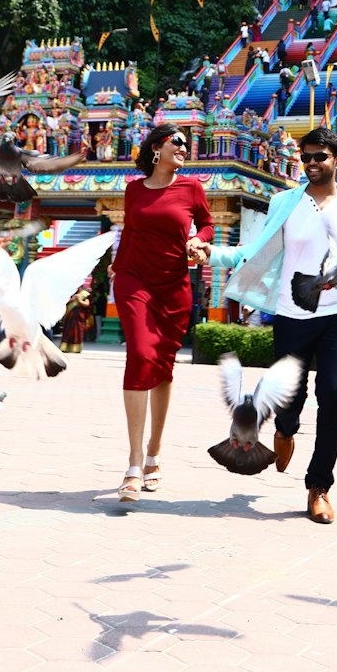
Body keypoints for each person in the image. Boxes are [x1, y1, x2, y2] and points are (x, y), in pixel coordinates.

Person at [195, 126, 337, 526]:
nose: (312, 164)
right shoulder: (284, 202)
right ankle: (284, 431)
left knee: (334, 396)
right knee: (289, 399)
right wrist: (212, 254)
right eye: (305, 158)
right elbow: (254, 250)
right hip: (291, 311)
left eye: (319, 157)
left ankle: (319, 487)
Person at [110, 122, 214, 503]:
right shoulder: (133, 189)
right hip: (134, 280)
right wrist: (117, 267)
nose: (185, 148)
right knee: (139, 356)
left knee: (163, 368)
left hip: (174, 287)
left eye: (188, 144)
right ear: (157, 148)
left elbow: (207, 224)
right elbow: (131, 233)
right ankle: (134, 463)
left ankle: (154, 452)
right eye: (178, 142)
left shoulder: (192, 188)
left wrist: (197, 241)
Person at [60, 287, 92, 354]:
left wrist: (79, 300)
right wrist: (72, 299)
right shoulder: (70, 293)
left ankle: (76, 349)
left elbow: (87, 304)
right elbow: (64, 302)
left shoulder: (84, 294)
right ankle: (65, 347)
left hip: (79, 316)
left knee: (77, 332)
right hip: (70, 316)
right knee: (67, 331)